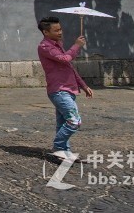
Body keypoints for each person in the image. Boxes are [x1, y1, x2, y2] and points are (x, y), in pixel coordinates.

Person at [37, 15, 94, 161]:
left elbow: (69, 67)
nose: (60, 32)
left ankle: (65, 152)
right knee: (74, 121)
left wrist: (84, 85)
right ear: (46, 32)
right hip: (59, 90)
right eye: (56, 30)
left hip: (69, 89)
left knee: (63, 122)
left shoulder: (58, 45)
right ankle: (58, 147)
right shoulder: (45, 47)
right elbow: (65, 59)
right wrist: (76, 46)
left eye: (60, 29)